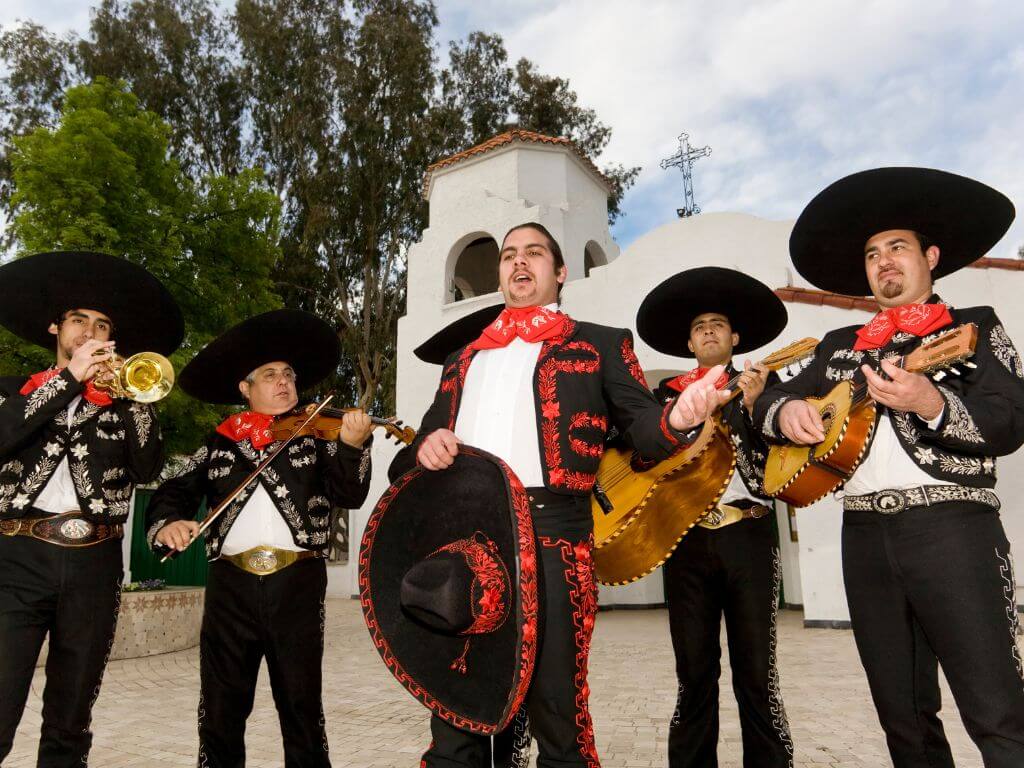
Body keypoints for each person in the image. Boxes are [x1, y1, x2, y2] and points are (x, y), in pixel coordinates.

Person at [390, 222, 730, 768]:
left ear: (560, 271)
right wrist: (425, 448)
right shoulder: (463, 358)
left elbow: (643, 433)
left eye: (534, 253)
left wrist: (679, 417)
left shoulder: (598, 342)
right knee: (458, 715)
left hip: (553, 540)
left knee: (559, 718)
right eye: (508, 256)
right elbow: (405, 463)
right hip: (465, 544)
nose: (518, 263)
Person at [755, 167, 1024, 768]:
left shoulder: (971, 326)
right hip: (865, 537)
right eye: (873, 254)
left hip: (953, 528)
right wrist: (786, 408)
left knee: (998, 713)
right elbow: (769, 401)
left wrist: (932, 402)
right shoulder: (839, 345)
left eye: (897, 247)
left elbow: (1010, 420)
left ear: (930, 256)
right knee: (903, 721)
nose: (884, 263)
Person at [146, 309, 374, 768]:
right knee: (221, 710)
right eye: (269, 375)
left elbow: (351, 493)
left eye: (288, 374)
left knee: (301, 707)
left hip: (298, 583)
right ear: (245, 389)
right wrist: (168, 522)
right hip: (230, 588)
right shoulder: (219, 443)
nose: (284, 382)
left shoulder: (320, 436)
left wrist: (352, 446)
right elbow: (173, 490)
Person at [0, 250, 183, 767]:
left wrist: (138, 400)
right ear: (56, 327)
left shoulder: (125, 407)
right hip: (16, 559)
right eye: (79, 320)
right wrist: (69, 380)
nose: (90, 331)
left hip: (95, 565)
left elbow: (148, 469)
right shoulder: (14, 391)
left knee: (71, 715)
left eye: (101, 324)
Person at [637, 266, 793, 767]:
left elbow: (786, 451)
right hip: (684, 540)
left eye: (718, 324)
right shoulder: (664, 399)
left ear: (735, 337)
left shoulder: (764, 385)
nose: (708, 331)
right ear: (688, 341)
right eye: (700, 325)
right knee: (694, 673)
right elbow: (642, 456)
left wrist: (753, 403)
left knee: (757, 673)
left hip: (748, 533)